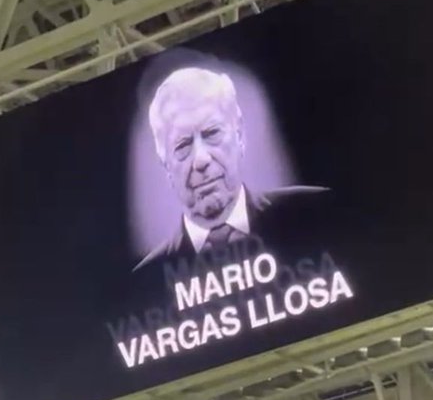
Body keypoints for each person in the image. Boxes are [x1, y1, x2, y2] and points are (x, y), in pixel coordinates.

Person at [134, 65, 327, 269]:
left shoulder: (315, 211)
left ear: (239, 136)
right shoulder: (149, 274)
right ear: (166, 166)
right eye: (182, 145)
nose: (201, 160)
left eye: (211, 133)